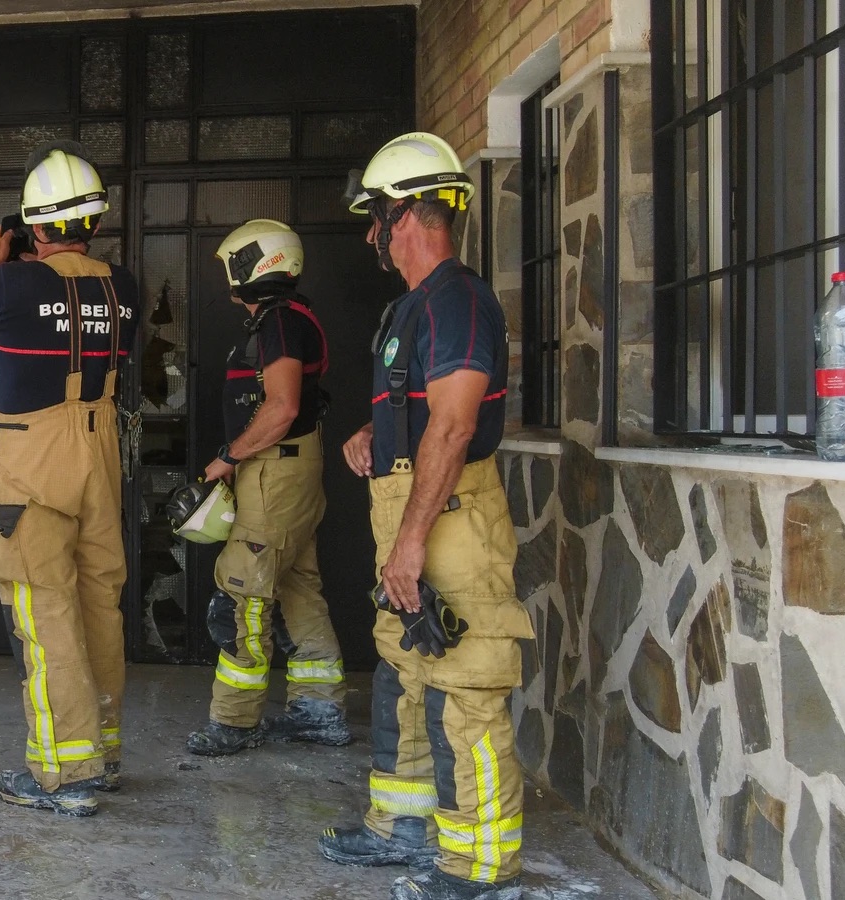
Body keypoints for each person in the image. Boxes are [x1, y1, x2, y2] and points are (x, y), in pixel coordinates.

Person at [316, 133, 534, 900]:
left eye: (375, 216)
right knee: (406, 671)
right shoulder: (413, 307)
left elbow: (454, 426)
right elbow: (424, 416)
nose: (371, 234)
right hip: (411, 509)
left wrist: (410, 543)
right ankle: (402, 826)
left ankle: (479, 868)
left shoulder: (459, 298)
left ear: (404, 213)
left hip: (450, 522)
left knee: (466, 687)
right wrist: (379, 433)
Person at [0, 142, 139, 817]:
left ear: (35, 225)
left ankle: (66, 772)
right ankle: (103, 752)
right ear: (94, 221)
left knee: (39, 603)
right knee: (97, 602)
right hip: (99, 448)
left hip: (31, 459)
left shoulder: (5, 283)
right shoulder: (124, 285)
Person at [183, 219, 349, 757]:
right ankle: (318, 711)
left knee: (243, 594)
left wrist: (227, 457)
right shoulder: (283, 321)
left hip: (276, 473)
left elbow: (281, 407)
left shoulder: (279, 322)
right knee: (299, 585)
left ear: (257, 265)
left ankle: (234, 721)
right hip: (285, 470)